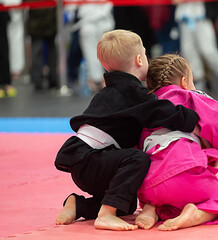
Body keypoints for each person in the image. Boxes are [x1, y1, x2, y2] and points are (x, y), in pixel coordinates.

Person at [54, 30, 200, 231]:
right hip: (94, 160)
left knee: (126, 204)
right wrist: (193, 118)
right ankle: (105, 215)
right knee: (138, 159)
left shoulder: (109, 91)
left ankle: (79, 205)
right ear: (140, 60)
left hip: (85, 161)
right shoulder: (133, 92)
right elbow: (161, 111)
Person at [135, 54, 218, 231]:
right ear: (184, 82)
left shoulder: (145, 106)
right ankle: (195, 214)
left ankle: (151, 208)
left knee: (167, 198)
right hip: (183, 172)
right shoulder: (191, 97)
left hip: (147, 186)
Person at [173, 0, 218, 94]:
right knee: (188, 50)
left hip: (202, 17)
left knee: (208, 50)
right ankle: (198, 79)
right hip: (185, 18)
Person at [25, 0, 58, 91]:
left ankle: (48, 79)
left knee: (45, 51)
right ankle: (43, 79)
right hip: (40, 21)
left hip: (43, 21)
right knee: (41, 51)